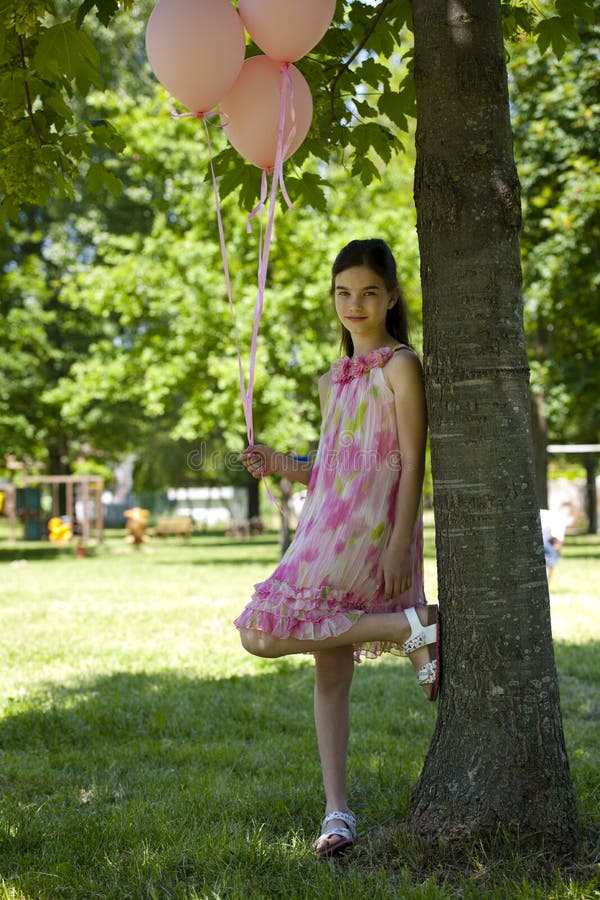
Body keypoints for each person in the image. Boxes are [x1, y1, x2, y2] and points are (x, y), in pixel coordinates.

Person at [234, 238, 439, 858]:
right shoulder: (333, 379)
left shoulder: (401, 364)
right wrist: (280, 464)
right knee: (327, 668)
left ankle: (412, 625)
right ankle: (337, 811)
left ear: (392, 298)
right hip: (323, 524)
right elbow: (334, 468)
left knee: (263, 634)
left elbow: (408, 461)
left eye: (369, 292)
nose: (355, 304)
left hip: (372, 529)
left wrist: (401, 541)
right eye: (344, 293)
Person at [540, 502, 576, 581]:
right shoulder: (561, 519)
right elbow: (557, 543)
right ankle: (546, 582)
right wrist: (557, 553)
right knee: (552, 558)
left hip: (540, 534)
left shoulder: (552, 515)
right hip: (541, 536)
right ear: (570, 515)